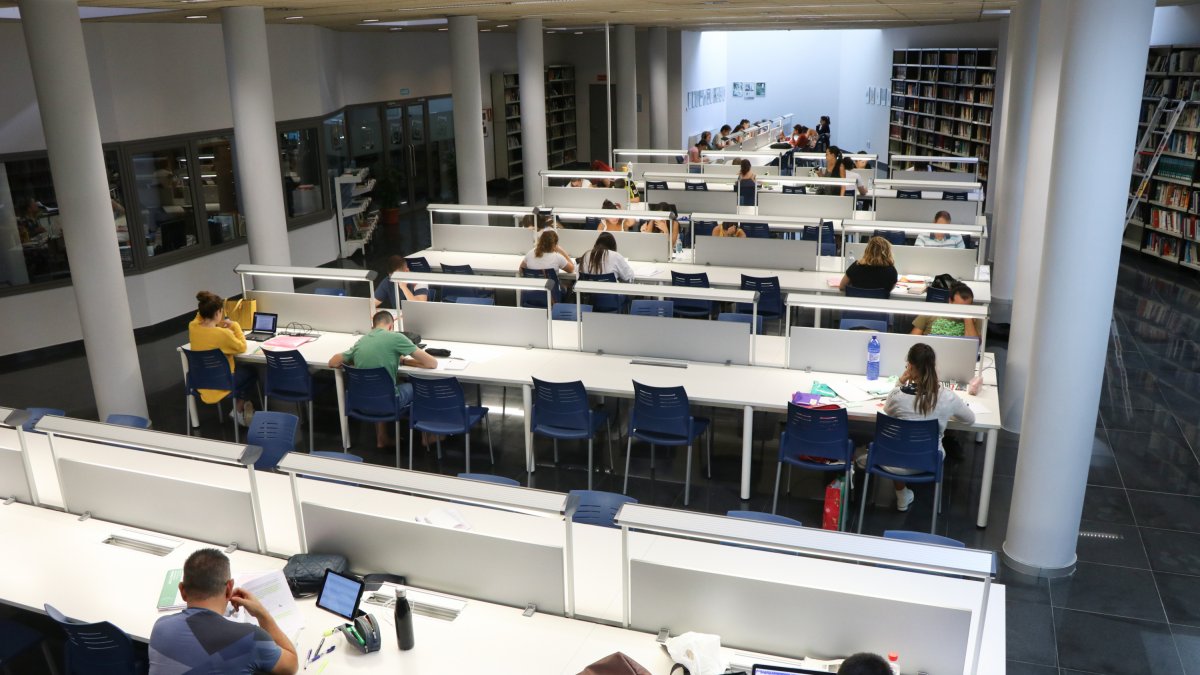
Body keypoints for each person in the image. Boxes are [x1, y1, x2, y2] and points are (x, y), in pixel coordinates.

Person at [149, 548, 298, 675]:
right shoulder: (251, 638)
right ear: (229, 589)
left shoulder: (160, 628)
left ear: (182, 590)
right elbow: (291, 665)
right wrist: (262, 614)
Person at [873, 343, 975, 511]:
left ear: (910, 366)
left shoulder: (897, 396)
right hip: (929, 461)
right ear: (933, 367)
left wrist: (900, 381)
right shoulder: (947, 397)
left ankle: (901, 496)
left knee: (899, 440)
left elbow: (887, 408)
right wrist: (946, 413)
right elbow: (970, 419)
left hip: (892, 461)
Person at [328, 311, 437, 448]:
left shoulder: (362, 341)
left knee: (379, 386)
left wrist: (357, 361)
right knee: (417, 386)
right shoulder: (396, 338)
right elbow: (431, 363)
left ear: (373, 327)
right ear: (391, 326)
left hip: (362, 402)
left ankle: (382, 438)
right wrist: (405, 361)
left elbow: (333, 362)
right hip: (389, 402)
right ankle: (427, 437)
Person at [189, 291, 256, 427]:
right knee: (251, 371)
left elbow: (199, 316)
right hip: (223, 383)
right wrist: (235, 325)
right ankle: (238, 409)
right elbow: (242, 346)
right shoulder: (223, 334)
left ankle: (239, 408)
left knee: (241, 371)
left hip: (201, 381)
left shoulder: (193, 327)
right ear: (218, 312)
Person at [912, 283, 980, 338]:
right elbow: (913, 339)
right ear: (950, 301)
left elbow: (973, 345)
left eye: (966, 307)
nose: (962, 310)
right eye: (959, 307)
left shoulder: (973, 320)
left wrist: (967, 318)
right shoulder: (930, 313)